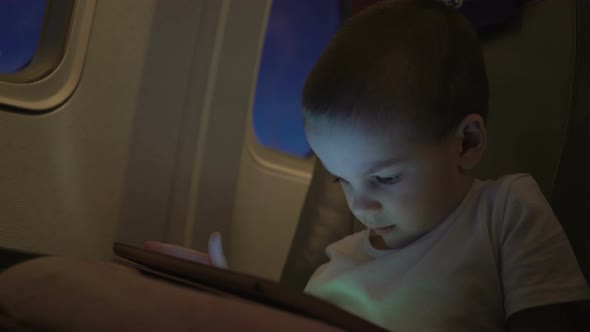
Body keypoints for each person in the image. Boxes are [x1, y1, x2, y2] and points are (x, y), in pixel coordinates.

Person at [147, 0, 590, 331]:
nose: (360, 207)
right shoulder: (334, 270)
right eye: (342, 179)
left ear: (467, 144)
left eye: (385, 178)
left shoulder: (505, 215)